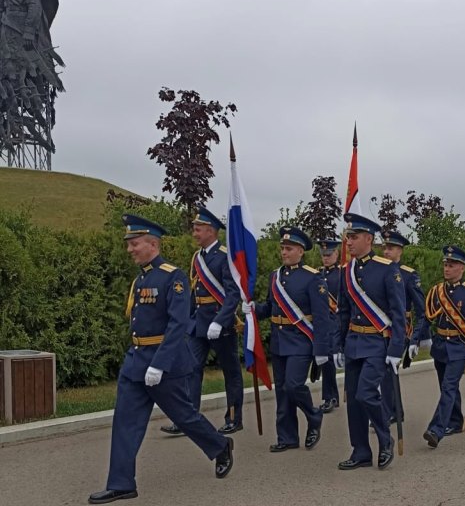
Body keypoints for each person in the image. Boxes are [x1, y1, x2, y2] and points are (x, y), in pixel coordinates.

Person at [89, 215, 233, 505]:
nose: (129, 249)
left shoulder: (173, 277)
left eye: (135, 243)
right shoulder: (140, 278)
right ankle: (121, 483)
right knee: (125, 422)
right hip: (135, 362)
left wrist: (159, 363)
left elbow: (178, 324)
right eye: (128, 243)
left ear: (152, 244)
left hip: (164, 365)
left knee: (185, 416)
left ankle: (220, 446)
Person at [245, 227, 331, 453]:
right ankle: (287, 436)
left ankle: (314, 416)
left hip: (301, 340)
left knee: (293, 386)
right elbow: (270, 307)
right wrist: (254, 309)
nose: (284, 252)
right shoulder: (275, 276)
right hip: (279, 340)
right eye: (282, 248)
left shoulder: (313, 278)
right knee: (282, 390)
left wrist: (321, 350)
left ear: (301, 252)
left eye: (289, 249)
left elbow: (322, 317)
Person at [161, 207, 243, 436]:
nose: (194, 233)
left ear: (210, 231)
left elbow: (232, 293)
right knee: (191, 369)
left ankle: (234, 418)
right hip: (198, 324)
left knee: (230, 371)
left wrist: (220, 321)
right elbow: (194, 292)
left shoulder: (225, 256)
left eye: (198, 229)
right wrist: (183, 320)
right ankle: (188, 419)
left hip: (220, 324)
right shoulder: (198, 257)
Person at [333, 213, 406, 470]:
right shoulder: (347, 272)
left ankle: (385, 440)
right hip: (353, 341)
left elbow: (398, 313)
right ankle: (361, 451)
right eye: (347, 237)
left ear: (368, 239)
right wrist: (338, 346)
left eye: (353, 237)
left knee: (366, 394)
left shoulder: (387, 269)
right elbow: (342, 311)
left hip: (377, 342)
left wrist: (397, 348)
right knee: (353, 400)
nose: (348, 242)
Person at [422, 246, 465, 447]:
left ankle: (436, 429)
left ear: (462, 268)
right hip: (441, 346)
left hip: (460, 347)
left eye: (452, 265)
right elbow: (427, 319)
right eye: (445, 265)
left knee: (449, 387)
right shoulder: (437, 291)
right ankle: (456, 421)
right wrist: (418, 339)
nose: (447, 269)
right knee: (446, 387)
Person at [381, 230, 426, 425]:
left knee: (389, 370)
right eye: (384, 248)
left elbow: (422, 309)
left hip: (400, 327)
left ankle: (393, 412)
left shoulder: (408, 275)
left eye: (390, 248)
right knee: (383, 371)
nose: (386, 252)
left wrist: (417, 337)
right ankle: (391, 410)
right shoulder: (378, 271)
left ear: (400, 250)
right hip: (379, 325)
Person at [317, 239, 342, 413]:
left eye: (329, 255)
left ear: (337, 254)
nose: (326, 258)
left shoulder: (341, 275)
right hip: (321, 323)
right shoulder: (317, 275)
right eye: (323, 255)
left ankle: (331, 397)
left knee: (331, 360)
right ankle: (331, 396)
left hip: (335, 322)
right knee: (324, 360)